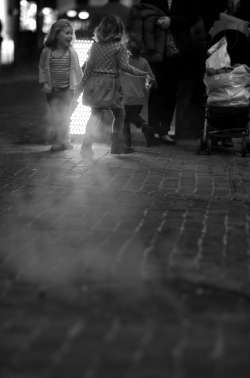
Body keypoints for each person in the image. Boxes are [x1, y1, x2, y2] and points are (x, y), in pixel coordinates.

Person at [76, 15, 153, 156]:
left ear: (101, 29)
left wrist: (79, 88)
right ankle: (116, 146)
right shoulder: (120, 47)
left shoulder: (95, 47)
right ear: (119, 30)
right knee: (119, 113)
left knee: (95, 114)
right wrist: (142, 73)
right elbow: (125, 67)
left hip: (94, 84)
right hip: (110, 85)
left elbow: (88, 69)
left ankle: (86, 146)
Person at [127, 0, 201, 144]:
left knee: (171, 92)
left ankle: (164, 130)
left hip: (177, 50)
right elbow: (141, 14)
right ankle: (153, 129)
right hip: (154, 48)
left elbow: (193, 18)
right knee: (156, 89)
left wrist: (172, 21)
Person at [39, 19, 83, 152]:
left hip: (68, 90)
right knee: (56, 115)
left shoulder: (72, 52)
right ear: (57, 34)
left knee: (65, 115)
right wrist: (44, 84)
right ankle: (63, 140)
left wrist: (81, 85)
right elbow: (42, 68)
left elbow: (78, 70)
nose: (70, 36)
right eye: (67, 33)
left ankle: (62, 140)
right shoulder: (47, 52)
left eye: (71, 33)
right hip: (52, 91)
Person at [121, 36, 155, 148]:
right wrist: (146, 86)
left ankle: (127, 143)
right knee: (131, 116)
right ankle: (144, 127)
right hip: (139, 99)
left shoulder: (124, 62)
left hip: (125, 98)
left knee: (124, 120)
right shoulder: (144, 62)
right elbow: (151, 78)